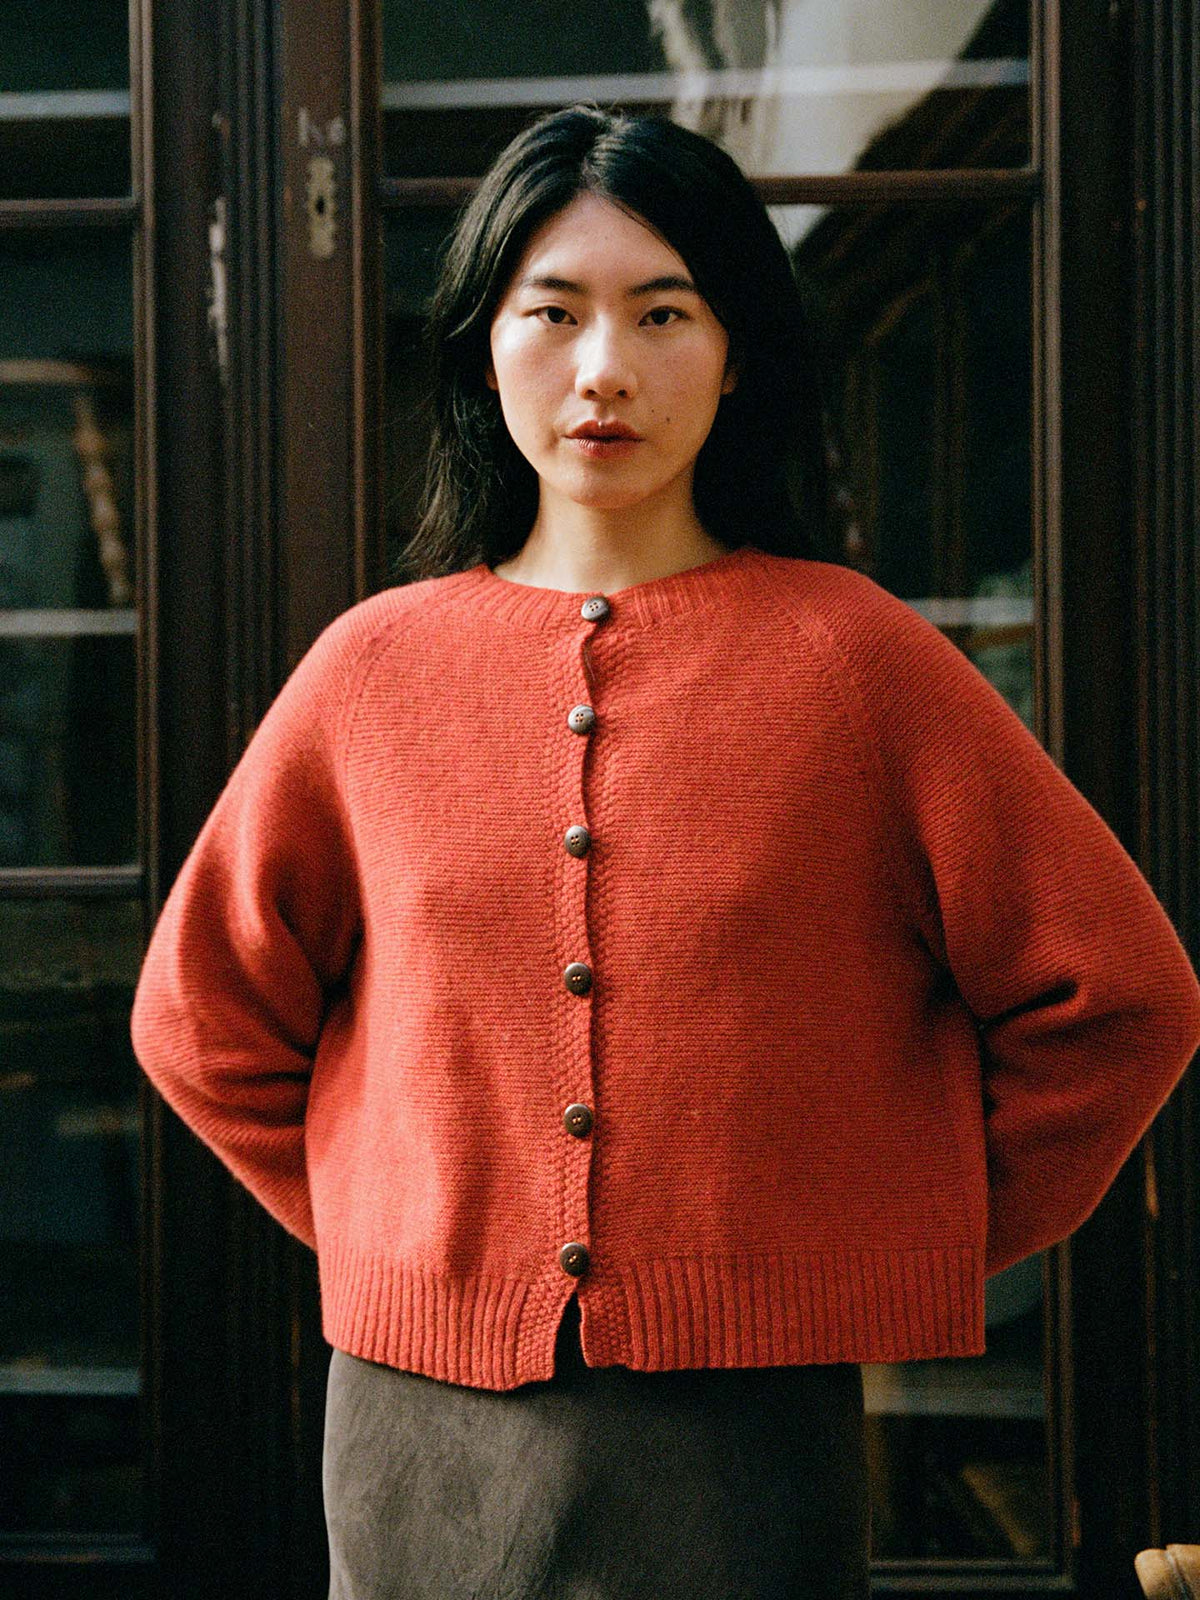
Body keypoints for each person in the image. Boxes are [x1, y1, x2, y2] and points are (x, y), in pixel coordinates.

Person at [129, 103, 1200, 1600]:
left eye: (663, 312)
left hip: (748, 1423)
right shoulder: (371, 672)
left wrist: (872, 1234)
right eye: (551, 312)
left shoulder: (858, 663)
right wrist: (407, 1229)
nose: (603, 370)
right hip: (414, 1425)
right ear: (481, 345)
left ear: (738, 349)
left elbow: (1121, 998)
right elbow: (200, 1017)